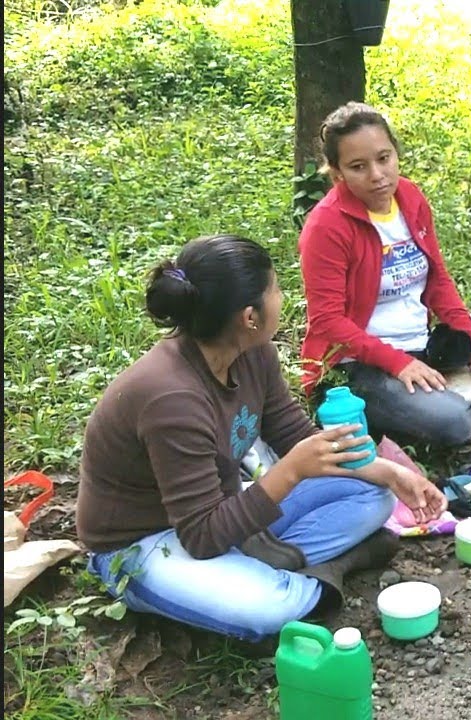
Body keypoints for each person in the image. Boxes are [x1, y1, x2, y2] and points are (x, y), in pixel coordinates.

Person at [77, 235, 447, 643]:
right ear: (249, 316)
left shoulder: (254, 353)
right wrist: (288, 473)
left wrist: (391, 473)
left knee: (373, 494)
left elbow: (292, 433)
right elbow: (200, 536)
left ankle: (264, 562)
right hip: (146, 541)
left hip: (218, 507)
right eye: (275, 288)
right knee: (270, 608)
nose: (282, 297)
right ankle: (313, 570)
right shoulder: (171, 399)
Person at [298, 101, 471, 448]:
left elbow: (437, 280)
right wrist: (398, 364)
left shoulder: (410, 198)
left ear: (396, 154)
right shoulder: (326, 227)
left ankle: (440, 395)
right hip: (361, 365)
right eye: (358, 166)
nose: (377, 174)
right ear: (338, 173)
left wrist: (469, 334)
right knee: (453, 422)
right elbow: (328, 321)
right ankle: (443, 404)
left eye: (384, 158)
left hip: (424, 347)